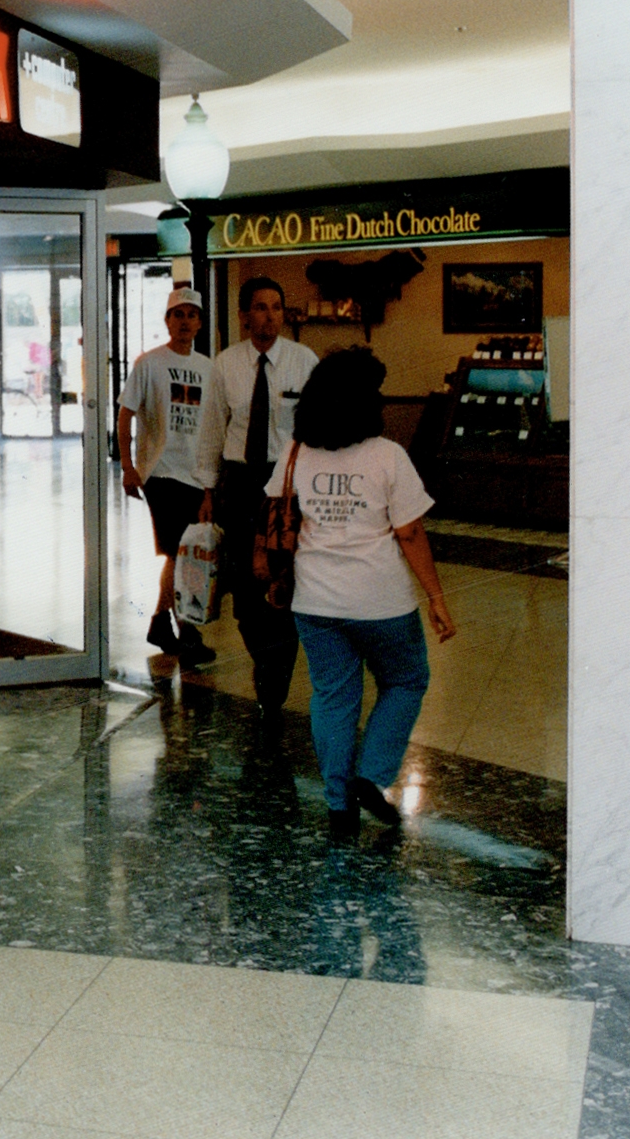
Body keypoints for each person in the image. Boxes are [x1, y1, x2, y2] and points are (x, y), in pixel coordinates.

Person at [268, 347, 455, 838]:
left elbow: (276, 513)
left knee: (333, 697)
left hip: (315, 601)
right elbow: (410, 534)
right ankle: (370, 777)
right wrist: (436, 597)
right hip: (382, 602)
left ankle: (337, 805)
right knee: (406, 680)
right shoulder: (387, 456)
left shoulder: (296, 452)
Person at [193, 277, 317, 738]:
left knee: (285, 585)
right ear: (245, 315)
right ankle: (265, 660)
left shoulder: (304, 362)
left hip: (288, 486)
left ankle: (274, 677)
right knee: (245, 592)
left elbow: (316, 429)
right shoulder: (225, 366)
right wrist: (207, 493)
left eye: (276, 307)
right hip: (241, 485)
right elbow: (210, 432)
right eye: (260, 308)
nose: (269, 316)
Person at [117, 287, 216, 665]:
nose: (185, 321)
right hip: (160, 472)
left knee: (180, 553)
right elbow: (126, 413)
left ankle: (161, 621)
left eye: (192, 315)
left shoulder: (208, 368)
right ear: (167, 320)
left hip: (196, 472)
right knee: (178, 551)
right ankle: (187, 630)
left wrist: (210, 483)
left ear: (200, 323)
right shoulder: (149, 364)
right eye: (179, 315)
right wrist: (129, 466)